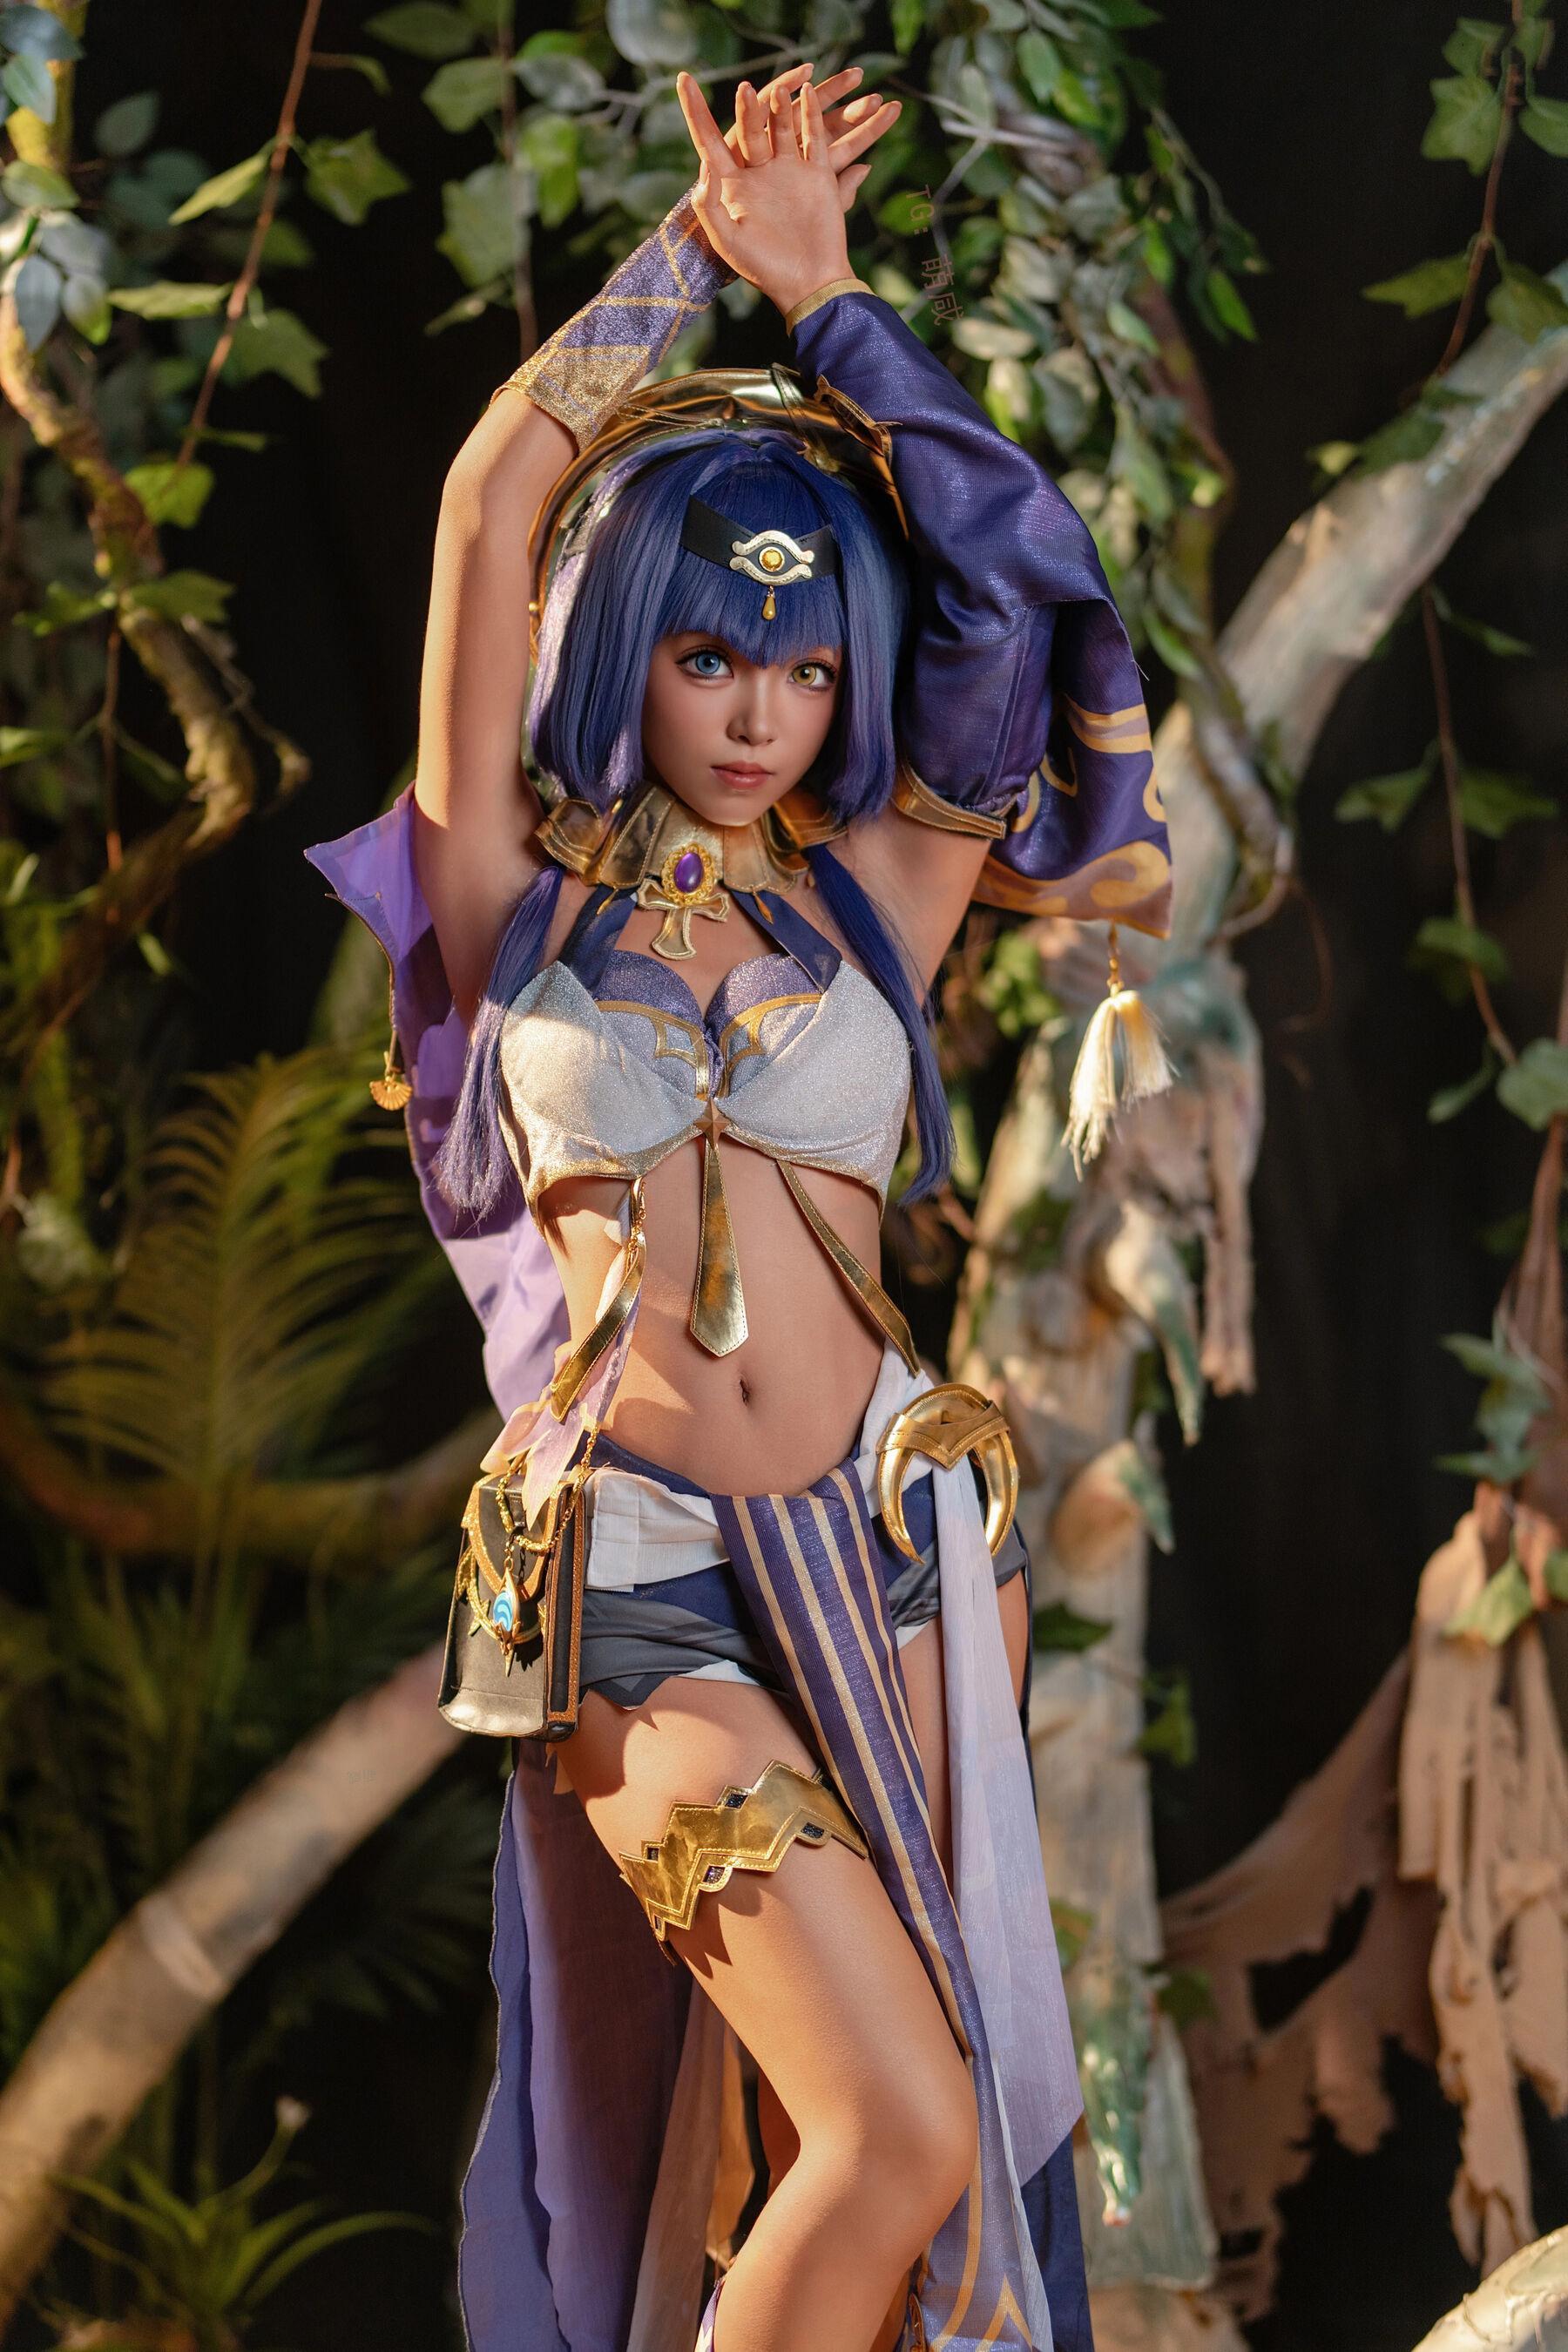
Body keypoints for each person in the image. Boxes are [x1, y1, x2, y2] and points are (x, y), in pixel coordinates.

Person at [305, 59, 1170, 2352]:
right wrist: (690, 258)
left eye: (805, 662)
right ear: (626, 648)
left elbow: (1016, 582)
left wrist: (834, 308)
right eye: (709, 652)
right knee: (893, 2132)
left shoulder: (881, 893)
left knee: (902, 2172)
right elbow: (494, 496)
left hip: (898, 1551)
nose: (764, 709)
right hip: (638, 1586)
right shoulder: (508, 908)